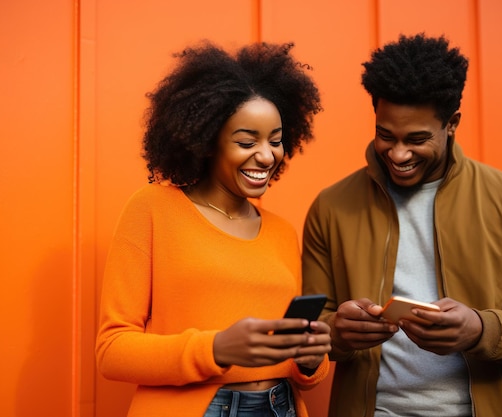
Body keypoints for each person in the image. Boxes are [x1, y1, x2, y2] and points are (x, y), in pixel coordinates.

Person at [301, 33, 502, 417]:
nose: (398, 154)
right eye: (385, 135)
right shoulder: (331, 207)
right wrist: (337, 332)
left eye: (417, 139)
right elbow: (309, 329)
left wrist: (480, 329)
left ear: (452, 124)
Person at [95, 40, 331, 417]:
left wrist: (309, 359)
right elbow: (112, 350)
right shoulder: (153, 209)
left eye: (275, 141)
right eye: (246, 141)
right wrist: (215, 348)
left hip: (281, 405)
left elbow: (299, 368)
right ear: (206, 142)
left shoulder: (282, 232)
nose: (267, 155)